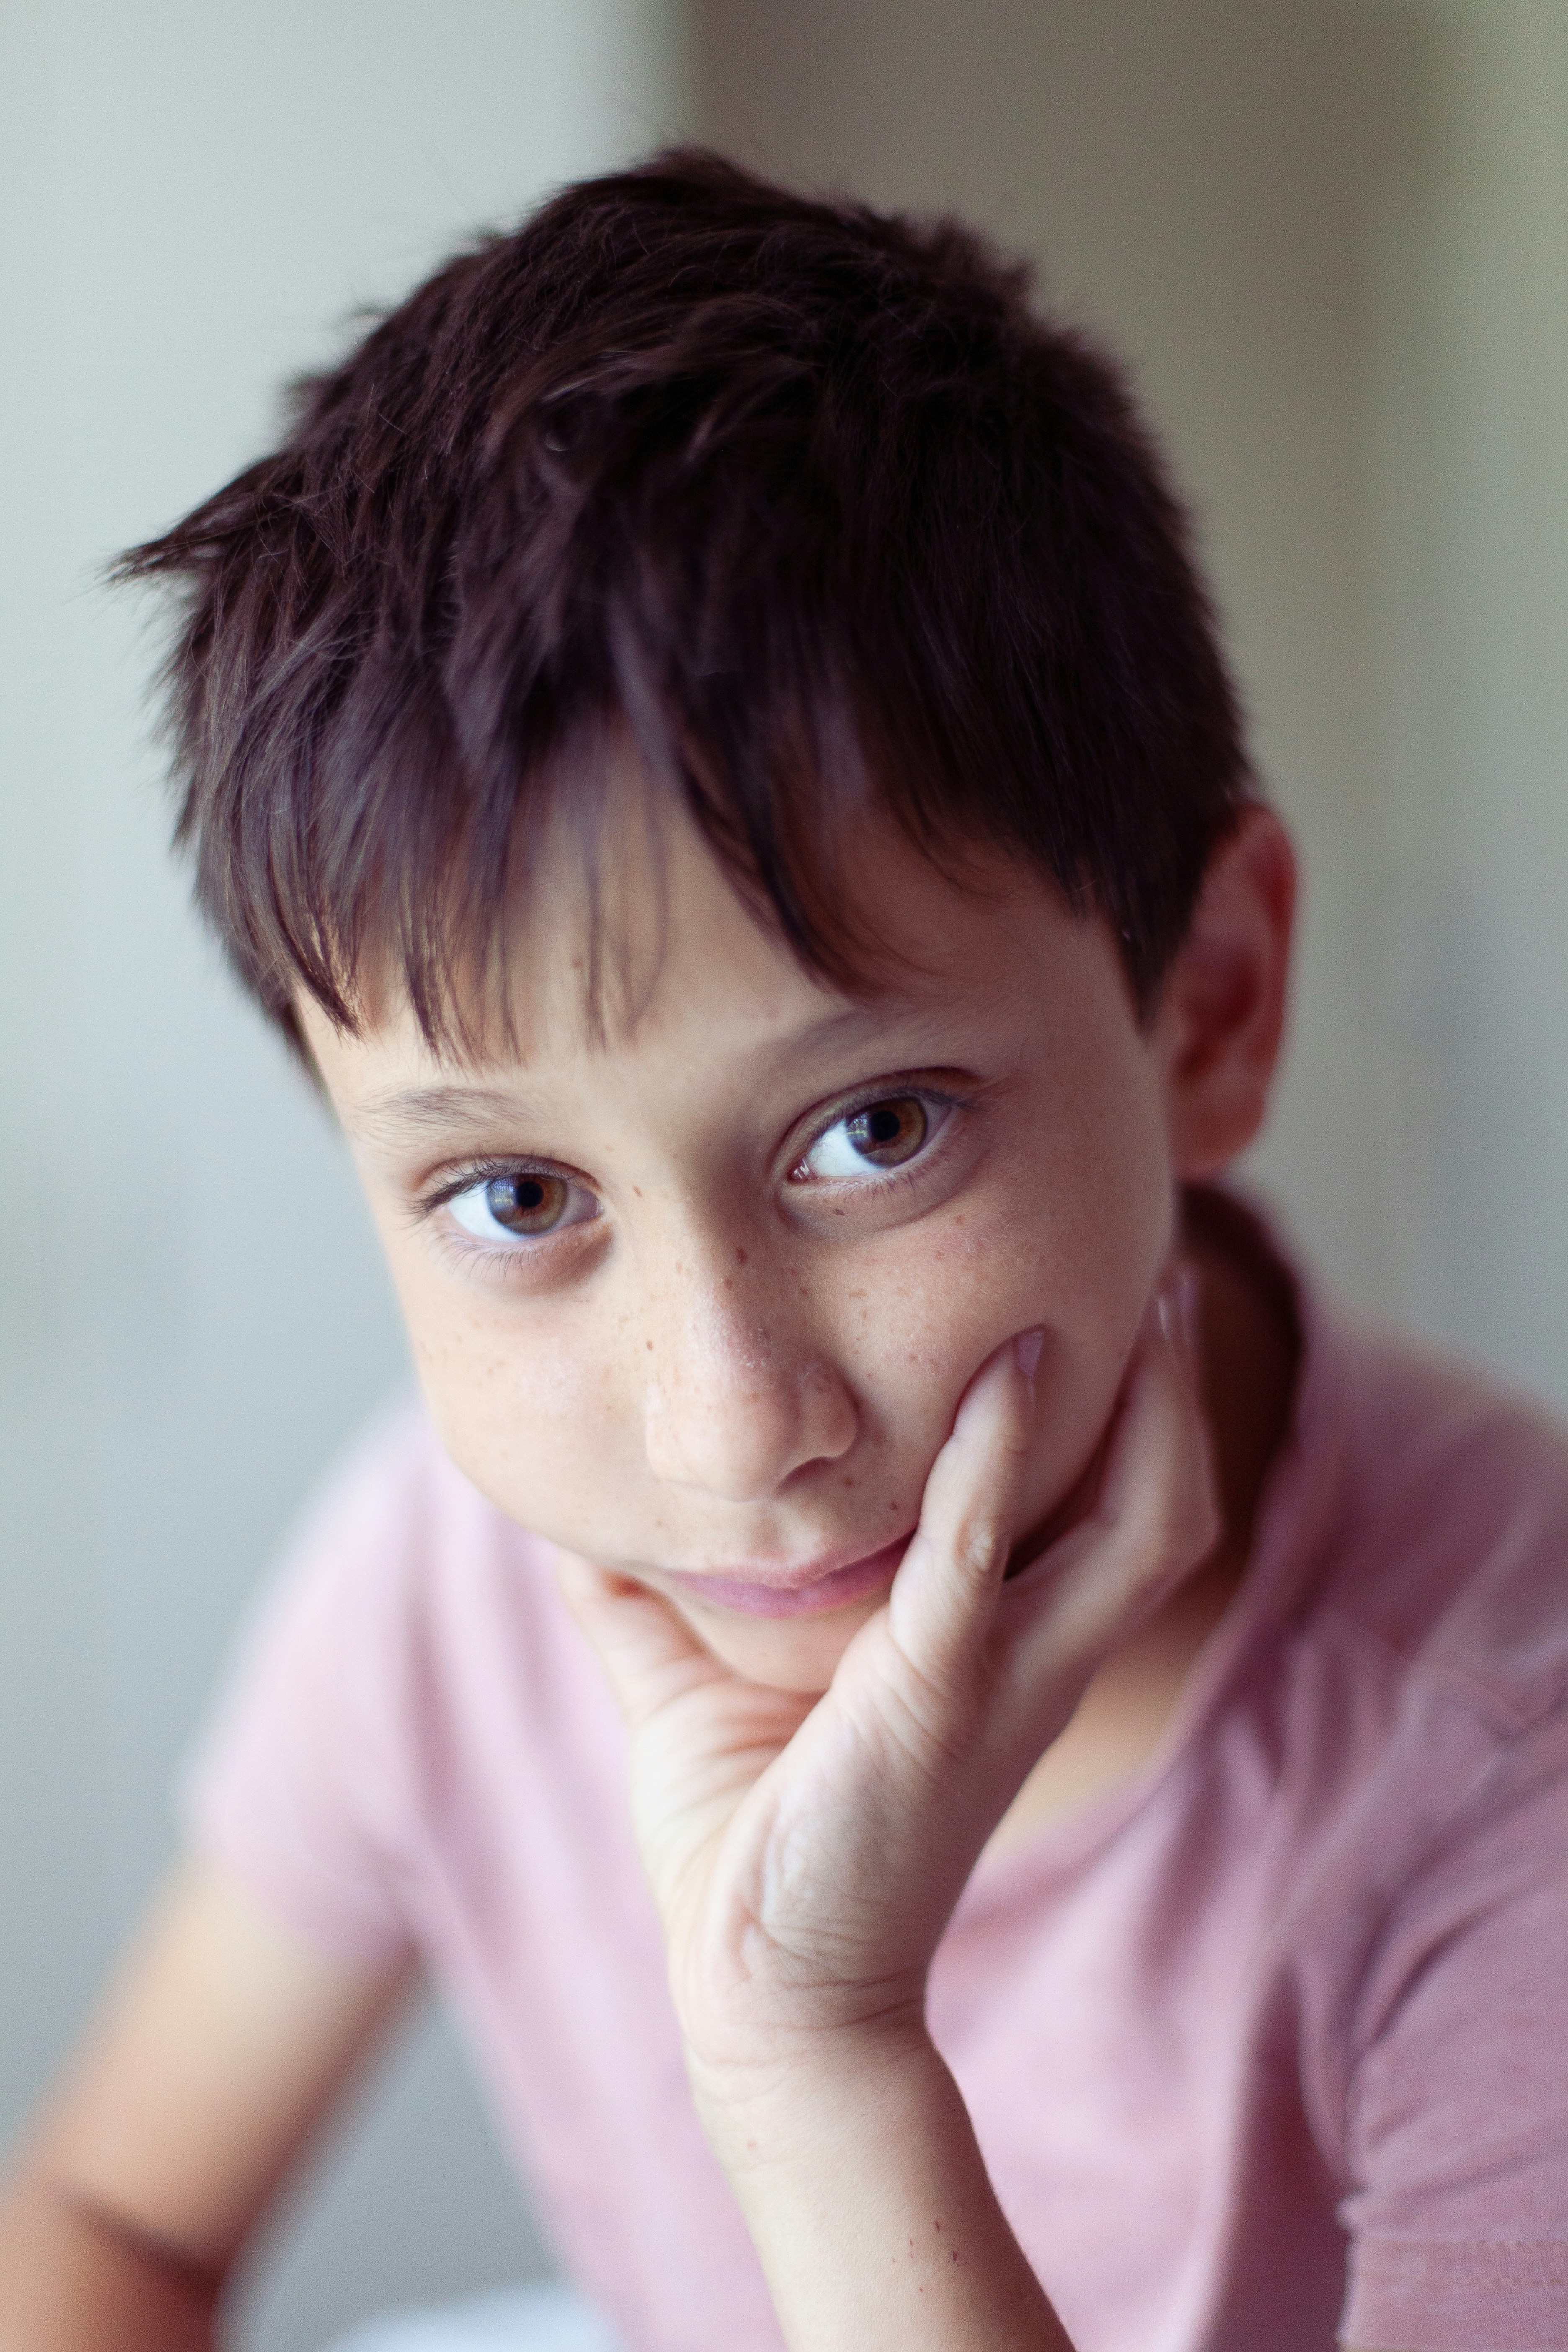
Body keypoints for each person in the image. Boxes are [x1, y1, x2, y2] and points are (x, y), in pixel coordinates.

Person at [0, 148, 1563, 2352]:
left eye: (875, 1130)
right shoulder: (449, 1586)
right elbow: (110, 2219)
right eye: (518, 1198)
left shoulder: (1505, 1752)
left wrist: (814, 2053)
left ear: (1208, 1005)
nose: (734, 1425)